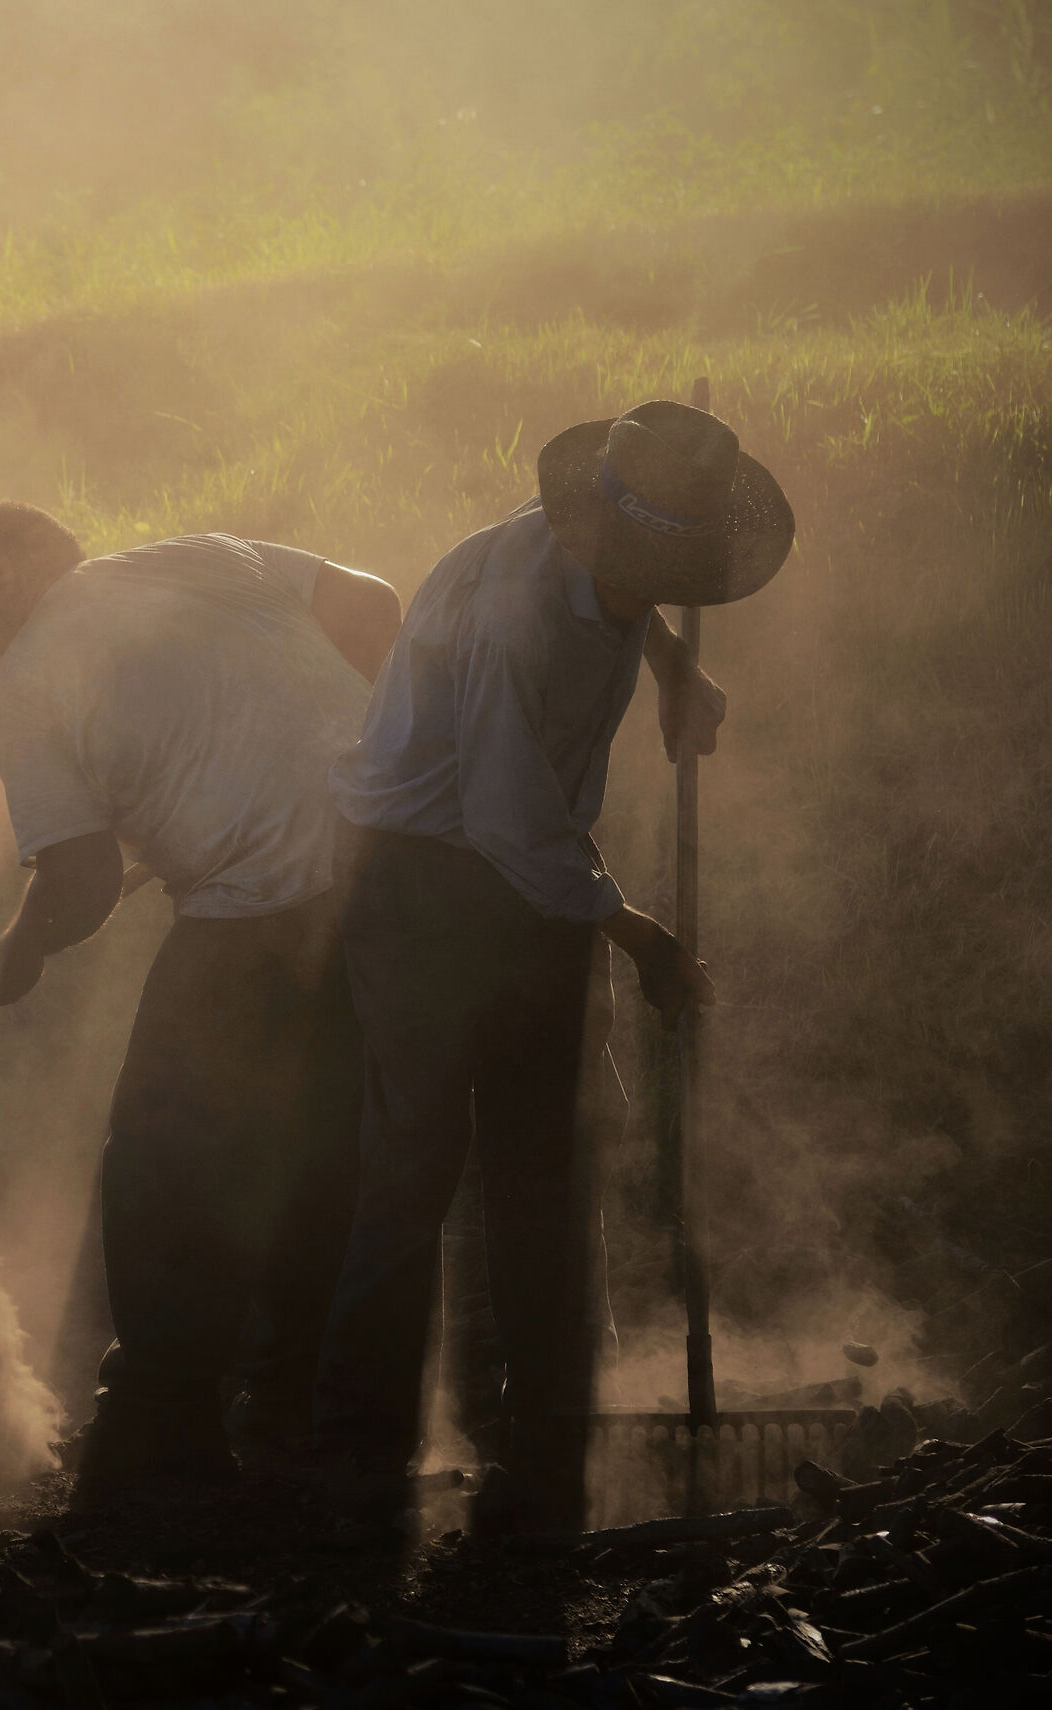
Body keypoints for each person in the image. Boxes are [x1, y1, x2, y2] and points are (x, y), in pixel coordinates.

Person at [317, 399, 795, 1534]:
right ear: (597, 528)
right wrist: (639, 938)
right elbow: (507, 820)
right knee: (416, 1165)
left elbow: (628, 617)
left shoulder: (612, 558)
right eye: (651, 568)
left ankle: (543, 1454)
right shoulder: (513, 614)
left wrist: (676, 667)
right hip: (422, 879)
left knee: (549, 1168)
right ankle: (354, 1456)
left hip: (530, 869)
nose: (656, 582)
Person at [0, 502, 402, 1508]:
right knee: (324, 1152)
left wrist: (16, 953)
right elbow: (375, 604)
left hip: (258, 909)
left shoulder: (24, 685)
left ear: (8, 577)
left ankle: (161, 1433)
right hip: (395, 874)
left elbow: (84, 882)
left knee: (161, 1160)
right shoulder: (200, 556)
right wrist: (329, 745)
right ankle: (294, 1414)